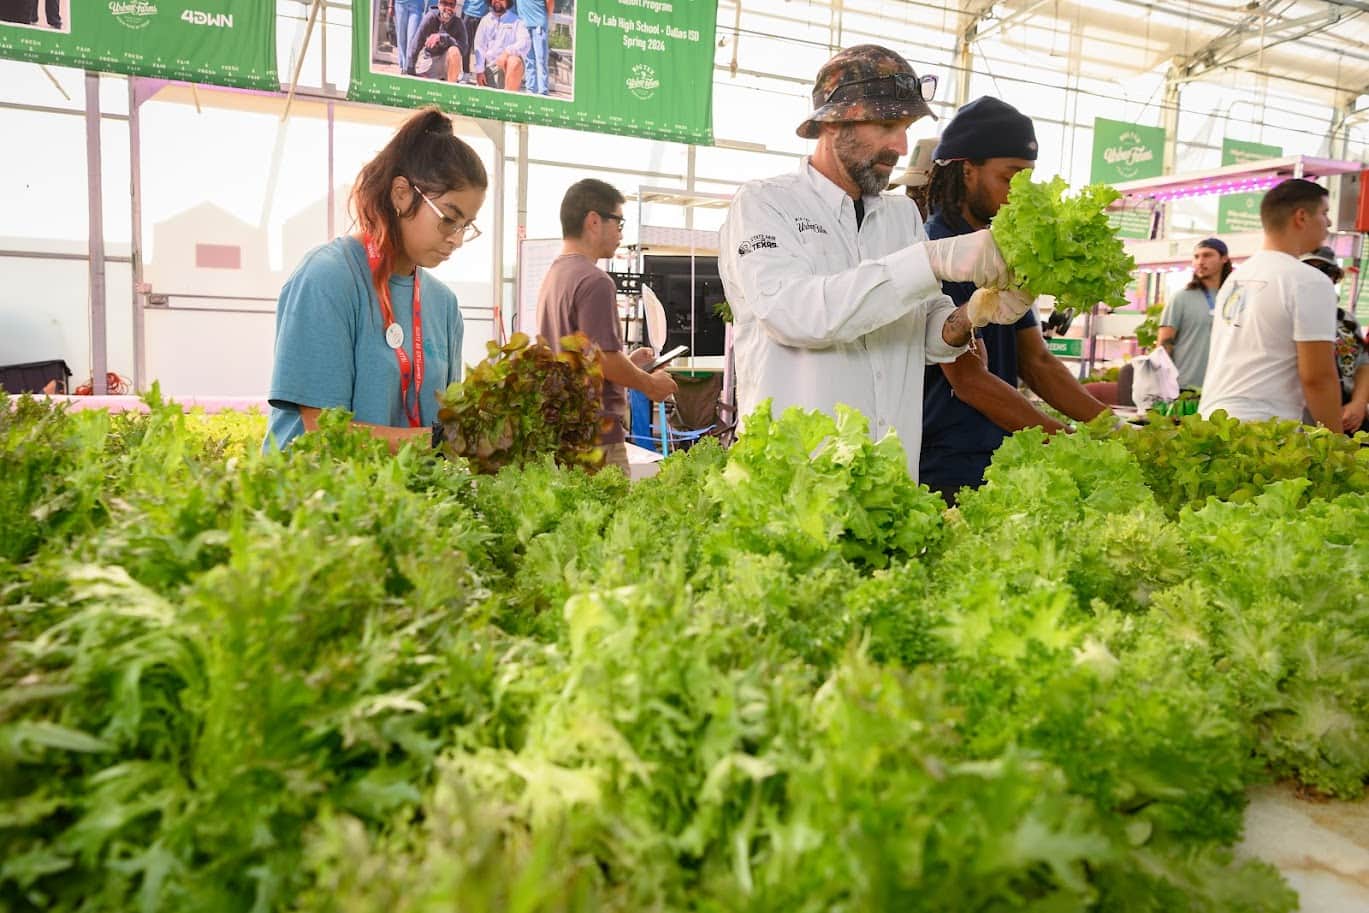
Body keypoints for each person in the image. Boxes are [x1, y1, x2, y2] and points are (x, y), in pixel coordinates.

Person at [718, 45, 1033, 480]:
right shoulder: (765, 204)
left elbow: (923, 332)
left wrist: (967, 315)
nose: (900, 146)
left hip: (888, 481)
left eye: (905, 128)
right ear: (832, 122)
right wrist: (932, 258)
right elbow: (796, 314)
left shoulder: (901, 215)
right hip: (795, 487)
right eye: (887, 125)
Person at [916, 97, 1110, 503]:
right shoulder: (938, 250)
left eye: (1028, 178)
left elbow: (1036, 361)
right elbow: (969, 381)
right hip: (946, 468)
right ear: (967, 171)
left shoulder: (1008, 251)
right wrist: (1070, 442)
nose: (1021, 192)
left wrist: (1110, 427)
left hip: (998, 458)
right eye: (1011, 176)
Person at [265, 108, 486, 453]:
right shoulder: (328, 279)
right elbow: (325, 435)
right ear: (402, 194)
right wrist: (440, 441)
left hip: (399, 504)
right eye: (448, 218)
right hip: (316, 501)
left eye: (466, 226)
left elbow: (447, 419)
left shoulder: (444, 305)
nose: (456, 239)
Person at [536, 179, 678, 472]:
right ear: (593, 221)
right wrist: (650, 384)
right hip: (597, 438)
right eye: (619, 222)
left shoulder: (555, 275)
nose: (620, 233)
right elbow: (604, 360)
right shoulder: (595, 281)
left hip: (566, 433)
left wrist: (629, 363)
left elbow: (584, 357)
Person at [1198, 178, 1340, 429]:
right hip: (1263, 433)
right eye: (1324, 213)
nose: (1328, 222)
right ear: (1301, 217)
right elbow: (1317, 378)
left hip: (1212, 422)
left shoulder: (1236, 278)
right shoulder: (1309, 281)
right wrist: (1337, 448)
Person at [1301, 246, 1369, 433]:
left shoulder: (1347, 320)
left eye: (1326, 271)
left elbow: (1364, 364)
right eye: (1309, 269)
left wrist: (1359, 403)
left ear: (1335, 277)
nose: (1317, 277)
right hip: (1304, 421)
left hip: (1349, 417)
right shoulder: (1290, 316)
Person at [1156, 237, 1231, 390]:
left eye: (1207, 255)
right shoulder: (1181, 298)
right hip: (1185, 387)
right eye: (1196, 257)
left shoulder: (1233, 298)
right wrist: (1161, 385)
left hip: (1223, 387)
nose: (1200, 261)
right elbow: (1164, 343)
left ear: (1224, 259)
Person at [473, 0, 530, 91]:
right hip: (490, 69)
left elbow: (525, 42)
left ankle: (508, 101)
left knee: (514, 61)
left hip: (507, 69)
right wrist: (479, 71)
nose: (497, 1)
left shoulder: (517, 21)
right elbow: (479, 46)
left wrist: (507, 52)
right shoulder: (485, 20)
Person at [409, 0, 468, 82]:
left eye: (451, 5)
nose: (448, 8)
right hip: (431, 60)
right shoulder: (430, 18)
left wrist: (443, 37)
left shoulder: (458, 23)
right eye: (445, 3)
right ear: (439, 4)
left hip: (448, 63)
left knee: (454, 51)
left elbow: (464, 49)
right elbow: (416, 43)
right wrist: (410, 70)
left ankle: (450, 89)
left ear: (455, 7)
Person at [518, 0, 553, 96]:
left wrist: (545, 17)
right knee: (529, 60)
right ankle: (530, 90)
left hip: (538, 25)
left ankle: (543, 92)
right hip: (524, 25)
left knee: (540, 61)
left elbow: (550, 1)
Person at [390, 0, 427, 75]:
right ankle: (404, 66)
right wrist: (391, 5)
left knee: (412, 39)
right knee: (401, 38)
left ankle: (409, 66)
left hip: (417, 5)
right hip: (400, 4)